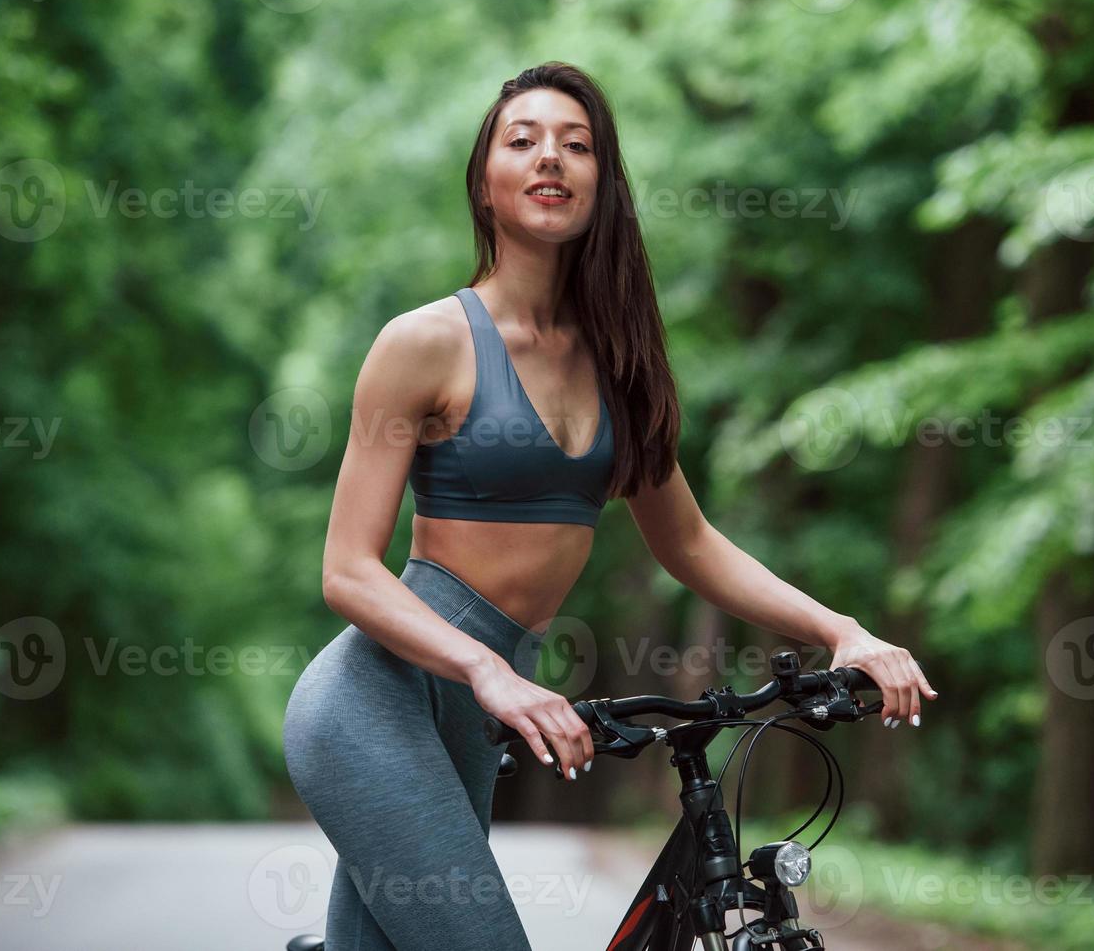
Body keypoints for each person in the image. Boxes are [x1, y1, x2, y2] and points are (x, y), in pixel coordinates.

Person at [281, 60, 936, 951]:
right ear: (485, 183)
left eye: (576, 144)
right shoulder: (425, 342)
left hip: (474, 719)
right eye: (523, 141)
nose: (551, 158)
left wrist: (841, 630)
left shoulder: (620, 364)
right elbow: (347, 571)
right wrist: (489, 671)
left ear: (601, 182)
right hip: (374, 706)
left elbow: (693, 543)